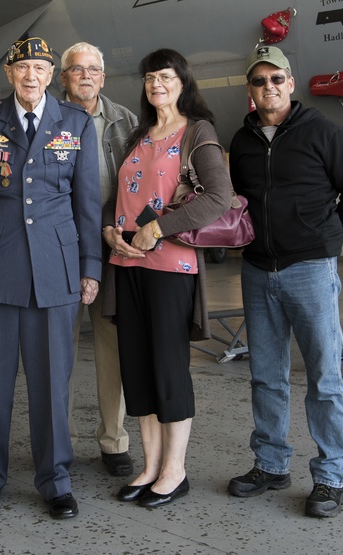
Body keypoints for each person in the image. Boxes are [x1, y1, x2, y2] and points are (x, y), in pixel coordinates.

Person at [0, 35, 101, 520]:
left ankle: (55, 480)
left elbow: (87, 205)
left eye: (40, 67)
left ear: (50, 73)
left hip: (55, 269)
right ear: (10, 74)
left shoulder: (75, 123)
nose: (31, 76)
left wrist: (90, 268)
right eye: (23, 68)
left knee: (52, 382)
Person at [227, 45, 343, 518]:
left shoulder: (324, 133)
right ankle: (270, 465)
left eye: (276, 79)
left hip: (309, 270)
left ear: (291, 83)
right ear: (250, 90)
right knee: (265, 376)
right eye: (258, 81)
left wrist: (322, 238)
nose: (268, 87)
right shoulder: (242, 141)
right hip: (256, 270)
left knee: (324, 378)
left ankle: (330, 477)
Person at [102, 48, 232, 509]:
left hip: (169, 268)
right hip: (127, 265)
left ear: (183, 81)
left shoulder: (197, 131)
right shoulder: (140, 134)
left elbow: (219, 196)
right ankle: (151, 465)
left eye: (165, 75)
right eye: (150, 76)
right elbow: (121, 197)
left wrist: (158, 228)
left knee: (168, 367)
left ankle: (175, 471)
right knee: (137, 368)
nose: (156, 83)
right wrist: (110, 231)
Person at [58, 42, 138, 478]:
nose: (85, 76)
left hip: (111, 250)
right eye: (76, 69)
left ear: (103, 78)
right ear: (64, 78)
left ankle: (113, 440)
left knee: (112, 348)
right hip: (59, 249)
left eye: (93, 69)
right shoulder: (49, 120)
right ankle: (59, 441)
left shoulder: (126, 122)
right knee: (58, 350)